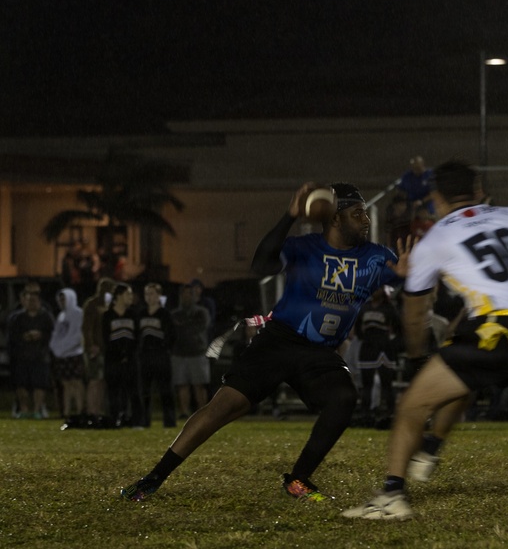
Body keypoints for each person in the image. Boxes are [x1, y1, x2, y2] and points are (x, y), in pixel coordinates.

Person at [342, 160, 508, 519]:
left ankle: (392, 495)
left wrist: (417, 355)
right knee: (460, 366)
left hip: (497, 331)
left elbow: (416, 311)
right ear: (480, 191)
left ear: (437, 200)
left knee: (411, 406)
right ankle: (432, 448)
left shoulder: (434, 238)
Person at [121, 181, 411, 502]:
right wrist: (288, 216)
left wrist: (408, 274)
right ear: (335, 218)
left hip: (319, 353)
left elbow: (406, 278)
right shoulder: (306, 247)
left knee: (344, 398)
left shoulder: (376, 257)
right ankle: (154, 478)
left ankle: (299, 479)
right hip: (278, 341)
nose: (367, 220)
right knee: (223, 406)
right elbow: (261, 264)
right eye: (358, 214)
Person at [355, 286, 402, 428]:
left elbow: (399, 328)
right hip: (368, 348)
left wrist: (391, 342)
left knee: (386, 384)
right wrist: (364, 337)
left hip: (384, 349)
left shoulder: (389, 308)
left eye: (379, 288)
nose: (375, 291)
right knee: (367, 384)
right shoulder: (365, 306)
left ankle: (390, 414)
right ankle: (366, 414)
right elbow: (358, 327)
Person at [8, 282, 54, 418]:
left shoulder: (46, 317)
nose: (31, 302)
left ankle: (37, 410)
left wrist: (41, 335)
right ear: (23, 300)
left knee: (39, 385)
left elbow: (52, 334)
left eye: (34, 299)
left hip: (40, 356)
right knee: (21, 385)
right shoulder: (16, 318)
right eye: (29, 299)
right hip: (21, 357)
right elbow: (11, 337)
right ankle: (23, 410)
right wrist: (25, 337)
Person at [137, 283, 177, 428]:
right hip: (145, 358)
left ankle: (170, 422)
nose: (149, 297)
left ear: (159, 295)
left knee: (165, 391)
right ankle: (144, 421)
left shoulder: (165, 314)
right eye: (147, 294)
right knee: (145, 392)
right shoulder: (141, 314)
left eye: (152, 293)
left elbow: (171, 336)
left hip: (161, 357)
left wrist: (164, 349)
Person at [102, 282, 142, 427]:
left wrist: (129, 353)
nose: (131, 297)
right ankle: (115, 420)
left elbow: (137, 337)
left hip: (130, 359)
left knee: (133, 391)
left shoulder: (133, 315)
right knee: (114, 392)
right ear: (118, 296)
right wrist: (118, 354)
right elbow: (106, 339)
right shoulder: (108, 316)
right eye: (127, 294)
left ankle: (135, 421)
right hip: (113, 360)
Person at [170, 284, 211, 418]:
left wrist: (183, 327)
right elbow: (172, 331)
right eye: (185, 294)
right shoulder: (175, 314)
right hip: (179, 353)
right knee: (182, 384)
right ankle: (184, 412)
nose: (187, 296)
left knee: (199, 385)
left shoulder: (202, 312)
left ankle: (202, 413)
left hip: (197, 353)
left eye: (190, 294)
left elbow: (198, 328)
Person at [49, 287, 85, 418]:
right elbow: (57, 334)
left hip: (74, 353)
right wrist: (56, 348)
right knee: (65, 383)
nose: (62, 302)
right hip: (62, 354)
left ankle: (81, 410)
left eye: (64, 299)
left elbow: (77, 335)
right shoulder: (61, 315)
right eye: (60, 299)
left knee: (76, 382)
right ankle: (67, 412)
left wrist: (64, 348)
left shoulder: (78, 313)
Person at [81, 277, 115, 416]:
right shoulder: (92, 304)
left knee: (102, 381)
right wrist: (91, 345)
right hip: (96, 349)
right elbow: (87, 328)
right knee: (95, 379)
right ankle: (91, 409)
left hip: (106, 348)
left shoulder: (110, 305)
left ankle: (98, 409)